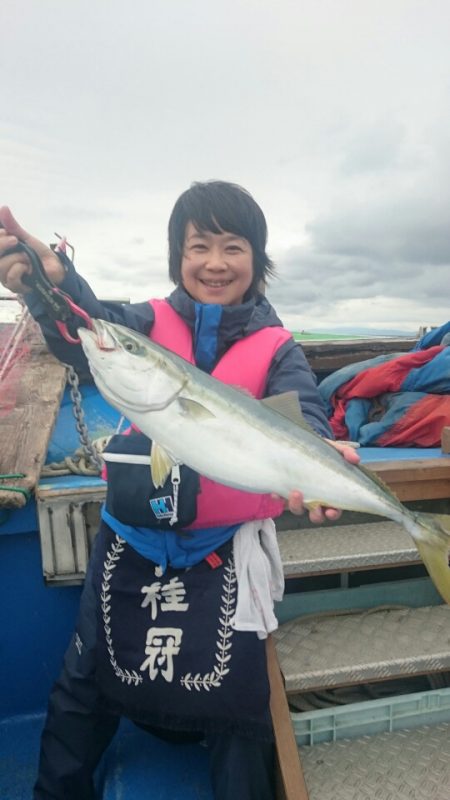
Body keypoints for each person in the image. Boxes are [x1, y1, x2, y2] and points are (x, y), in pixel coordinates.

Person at [0, 181, 359, 800]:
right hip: (130, 543)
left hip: (224, 549)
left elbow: (303, 413)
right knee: (81, 689)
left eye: (233, 247)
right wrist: (50, 284)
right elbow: (86, 332)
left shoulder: (278, 348)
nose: (215, 263)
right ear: (177, 257)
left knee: (238, 712)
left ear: (258, 259)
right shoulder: (142, 323)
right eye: (199, 246)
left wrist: (322, 455)